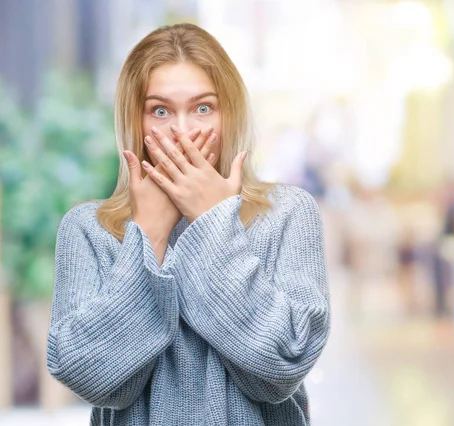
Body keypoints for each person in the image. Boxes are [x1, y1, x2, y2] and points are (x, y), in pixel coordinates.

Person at [46, 23, 330, 426]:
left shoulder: (287, 213)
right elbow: (90, 377)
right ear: (135, 122)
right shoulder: (88, 229)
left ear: (229, 113)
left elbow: (285, 364)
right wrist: (149, 236)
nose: (182, 132)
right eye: (160, 111)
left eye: (203, 108)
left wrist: (214, 225)